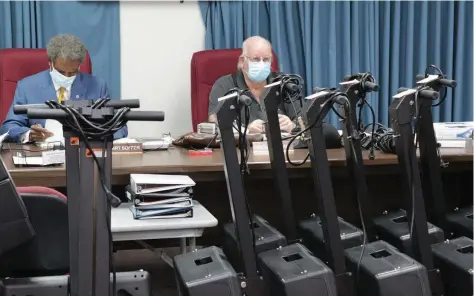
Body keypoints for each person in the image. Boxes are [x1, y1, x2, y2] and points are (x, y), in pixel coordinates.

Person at [0, 34, 127, 143]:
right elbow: (9, 127)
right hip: (43, 157)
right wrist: (29, 134)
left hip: (83, 153)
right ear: (50, 63)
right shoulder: (27, 86)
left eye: (72, 73)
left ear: (79, 66)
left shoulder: (97, 85)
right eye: (61, 72)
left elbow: (119, 128)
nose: (66, 77)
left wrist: (93, 134)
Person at [207, 36, 299, 134]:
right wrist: (246, 129)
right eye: (255, 59)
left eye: (266, 59)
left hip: (284, 147)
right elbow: (214, 121)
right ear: (242, 61)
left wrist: (293, 126)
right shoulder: (224, 85)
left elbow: (304, 120)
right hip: (243, 147)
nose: (261, 64)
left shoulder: (284, 83)